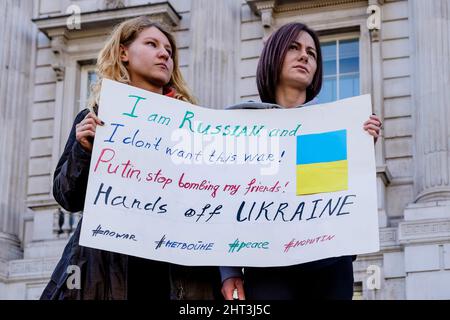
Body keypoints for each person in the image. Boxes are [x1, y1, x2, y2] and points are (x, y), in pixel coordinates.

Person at [40, 16, 221, 300]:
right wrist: (82, 150)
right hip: (107, 270)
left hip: (175, 270)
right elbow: (67, 197)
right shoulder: (96, 119)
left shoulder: (192, 126)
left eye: (169, 51)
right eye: (152, 44)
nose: (164, 54)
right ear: (123, 53)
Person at [220, 22, 382, 300]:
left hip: (329, 262)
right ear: (273, 55)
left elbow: (336, 195)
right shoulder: (242, 124)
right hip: (267, 263)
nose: (305, 56)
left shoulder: (335, 126)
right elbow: (226, 198)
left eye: (312, 53)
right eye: (294, 47)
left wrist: (359, 150)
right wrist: (229, 270)